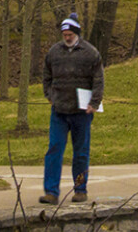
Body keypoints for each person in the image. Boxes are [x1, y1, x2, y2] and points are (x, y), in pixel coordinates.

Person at [41, 13, 103, 204]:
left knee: (81, 152)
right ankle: (51, 192)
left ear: (76, 33)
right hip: (59, 111)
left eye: (70, 34)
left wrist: (94, 102)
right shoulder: (53, 52)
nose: (67, 37)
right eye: (64, 34)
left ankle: (80, 189)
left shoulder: (91, 53)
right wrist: (49, 96)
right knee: (54, 149)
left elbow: (98, 80)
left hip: (82, 113)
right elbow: (46, 77)